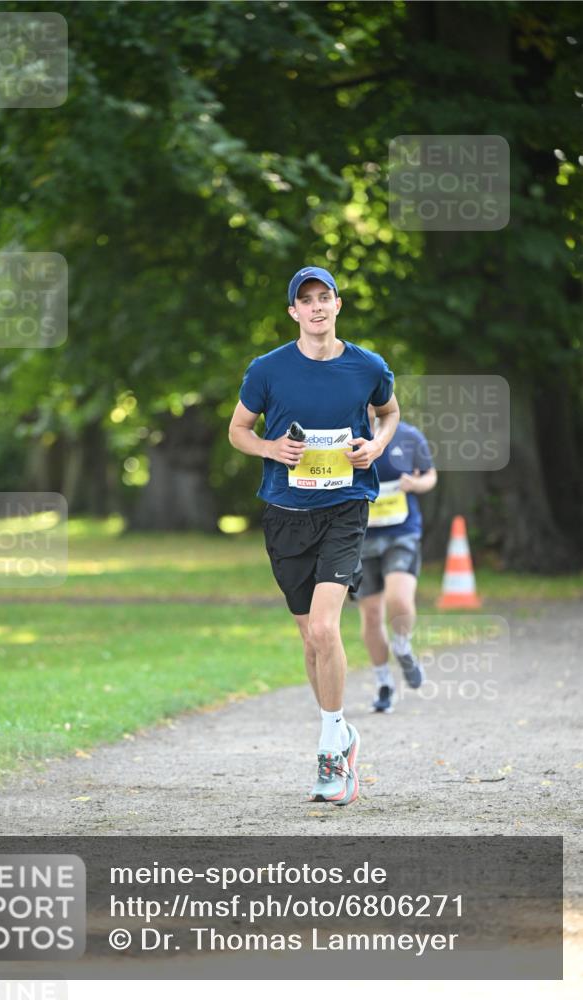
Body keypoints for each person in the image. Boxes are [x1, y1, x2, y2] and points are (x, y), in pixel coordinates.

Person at [228, 265, 399, 805]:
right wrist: (270, 449)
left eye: (324, 297)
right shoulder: (267, 370)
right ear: (294, 313)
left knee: (325, 630)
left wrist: (376, 446)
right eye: (306, 300)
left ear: (338, 305)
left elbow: (389, 413)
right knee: (310, 637)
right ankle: (342, 733)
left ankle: (330, 744)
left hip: (346, 508)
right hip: (284, 512)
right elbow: (238, 430)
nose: (317, 307)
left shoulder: (367, 365)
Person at [348, 405, 437, 713]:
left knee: (399, 600)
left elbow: (430, 475)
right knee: (371, 614)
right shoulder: (344, 436)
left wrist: (416, 484)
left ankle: (402, 645)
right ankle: (384, 682)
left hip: (402, 532)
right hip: (359, 538)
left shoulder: (409, 436)